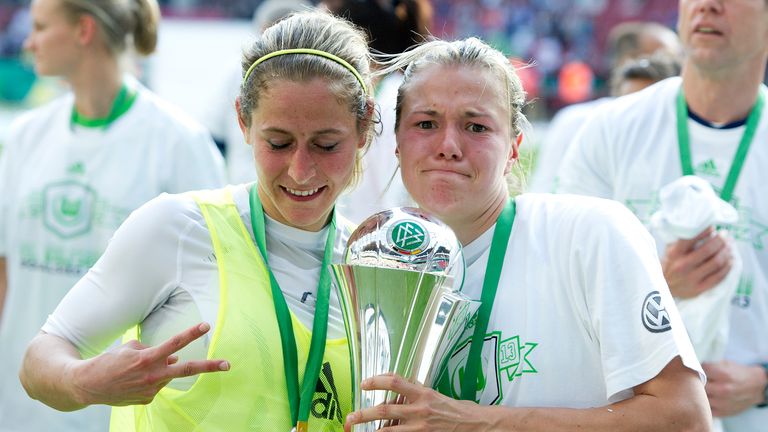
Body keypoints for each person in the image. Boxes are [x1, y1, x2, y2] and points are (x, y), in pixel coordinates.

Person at [18, 10, 375, 432]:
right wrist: (84, 382)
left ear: (364, 126)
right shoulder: (177, 227)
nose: (300, 170)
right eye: (278, 142)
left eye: (326, 144)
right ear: (242, 120)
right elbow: (40, 360)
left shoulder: (371, 264)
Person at [343, 36, 711, 431]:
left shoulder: (588, 236)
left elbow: (685, 417)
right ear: (398, 142)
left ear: (514, 148)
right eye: (426, 123)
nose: (448, 145)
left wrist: (478, 423)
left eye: (476, 126)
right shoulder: (377, 262)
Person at [0, 0, 226, 430]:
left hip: (121, 416)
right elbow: (5, 272)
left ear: (84, 31)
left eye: (42, 27)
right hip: (22, 404)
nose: (28, 42)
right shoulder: (26, 137)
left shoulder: (180, 143)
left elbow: (212, 292)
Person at [557, 0, 768, 430]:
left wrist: (764, 383)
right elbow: (559, 288)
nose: (709, 5)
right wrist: (658, 286)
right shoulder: (608, 130)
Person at [528, 21, 683, 193]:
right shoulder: (575, 123)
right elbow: (545, 194)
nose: (677, 66)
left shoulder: (679, 125)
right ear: (630, 62)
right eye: (664, 56)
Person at [333, 0, 434, 224]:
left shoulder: (398, 100)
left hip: (382, 245)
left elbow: (401, 192)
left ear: (357, 39)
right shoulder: (378, 93)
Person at [202, 0, 312, 184]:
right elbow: (214, 133)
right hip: (250, 185)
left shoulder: (238, 70)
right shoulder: (238, 72)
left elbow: (213, 135)